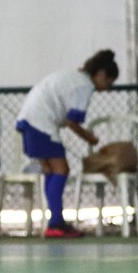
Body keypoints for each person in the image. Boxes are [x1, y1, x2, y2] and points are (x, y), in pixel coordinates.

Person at [16, 50, 119, 238]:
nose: (108, 88)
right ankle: (56, 223)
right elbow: (73, 122)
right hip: (41, 123)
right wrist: (89, 138)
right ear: (101, 74)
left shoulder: (73, 77)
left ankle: (55, 221)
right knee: (61, 169)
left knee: (50, 170)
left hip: (28, 119)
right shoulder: (85, 86)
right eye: (109, 82)